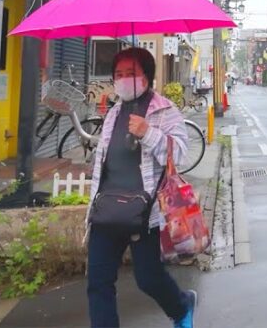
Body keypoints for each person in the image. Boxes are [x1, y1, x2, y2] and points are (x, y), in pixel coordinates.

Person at [87, 47, 198, 328]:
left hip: (144, 212)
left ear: (146, 77)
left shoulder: (165, 110)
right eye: (119, 75)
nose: (123, 80)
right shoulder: (113, 112)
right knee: (98, 282)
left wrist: (149, 133)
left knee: (148, 278)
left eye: (131, 74)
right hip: (107, 208)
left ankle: (182, 305)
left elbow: (181, 154)